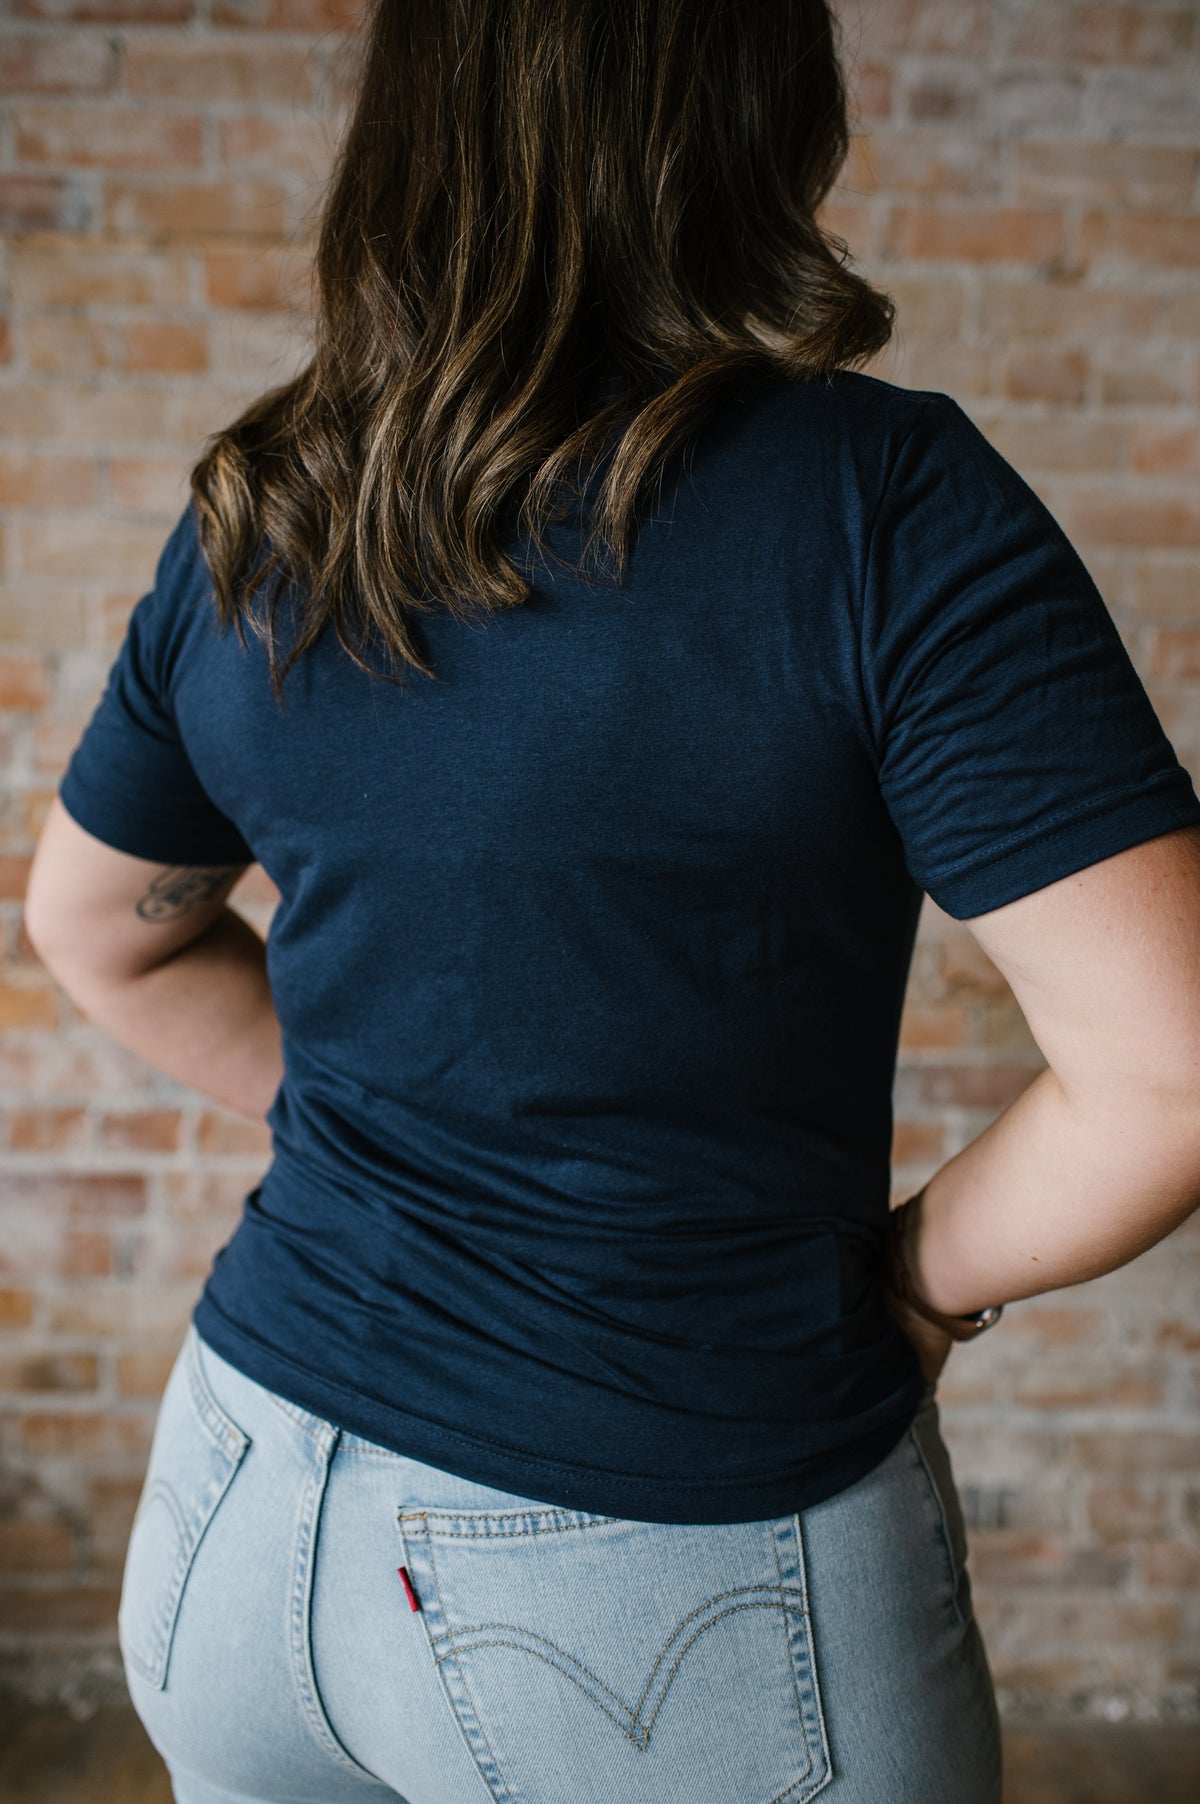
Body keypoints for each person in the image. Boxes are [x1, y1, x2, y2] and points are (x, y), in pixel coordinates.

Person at [22, 3, 1200, 1801]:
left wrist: (388, 1129)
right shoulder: (883, 507)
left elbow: (100, 928)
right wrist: (913, 1278)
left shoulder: (268, 509)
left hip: (244, 1507)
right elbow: (1172, 1075)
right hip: (665, 1566)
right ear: (768, 111)